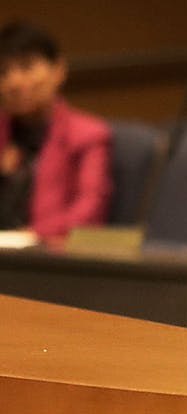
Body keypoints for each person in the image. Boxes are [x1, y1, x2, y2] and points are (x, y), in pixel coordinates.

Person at [0, 19, 111, 245]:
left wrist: (31, 235)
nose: (13, 81)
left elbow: (90, 211)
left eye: (26, 66)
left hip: (46, 257)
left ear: (58, 70)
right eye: (3, 71)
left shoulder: (87, 134)